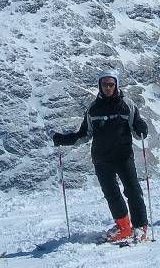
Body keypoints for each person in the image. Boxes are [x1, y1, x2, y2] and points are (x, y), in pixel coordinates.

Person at [52, 70, 150, 242]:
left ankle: (140, 226)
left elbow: (136, 127)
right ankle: (123, 227)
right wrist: (64, 140)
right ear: (100, 85)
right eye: (104, 84)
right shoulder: (93, 108)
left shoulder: (127, 104)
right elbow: (84, 134)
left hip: (123, 156)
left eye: (111, 84)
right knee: (111, 193)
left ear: (116, 85)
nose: (108, 88)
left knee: (133, 190)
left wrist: (142, 127)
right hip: (101, 159)